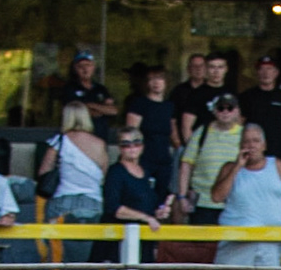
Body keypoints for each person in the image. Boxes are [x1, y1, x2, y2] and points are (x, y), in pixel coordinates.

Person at [210, 123, 281, 270]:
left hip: (270, 241)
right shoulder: (229, 168)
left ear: (264, 145)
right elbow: (216, 196)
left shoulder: (277, 165)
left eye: (255, 141)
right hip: (236, 242)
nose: (251, 145)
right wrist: (238, 166)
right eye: (246, 141)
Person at [36, 102, 109, 270]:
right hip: (93, 203)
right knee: (91, 252)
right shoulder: (100, 144)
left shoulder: (59, 141)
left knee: (56, 247)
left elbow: (44, 172)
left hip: (63, 202)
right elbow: (103, 174)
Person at [178, 93, 244, 225]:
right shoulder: (201, 132)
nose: (225, 112)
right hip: (202, 203)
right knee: (200, 245)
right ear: (214, 111)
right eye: (221, 108)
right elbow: (186, 165)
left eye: (230, 108)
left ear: (237, 111)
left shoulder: (245, 135)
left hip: (234, 205)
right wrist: (182, 196)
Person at [122, 65, 179, 203]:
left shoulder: (169, 106)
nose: (156, 82)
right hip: (144, 159)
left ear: (166, 82)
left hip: (164, 160)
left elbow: (173, 135)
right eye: (152, 79)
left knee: (161, 199)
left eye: (159, 78)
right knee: (141, 197)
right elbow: (130, 134)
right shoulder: (139, 104)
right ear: (147, 83)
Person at [103, 126, 172, 233]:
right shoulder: (115, 172)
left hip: (145, 233)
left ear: (143, 146)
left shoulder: (146, 171)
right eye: (126, 144)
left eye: (137, 143)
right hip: (121, 236)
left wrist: (158, 212)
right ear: (119, 148)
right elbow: (113, 208)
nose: (132, 148)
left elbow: (148, 203)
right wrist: (146, 218)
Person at [238, 54, 281, 158]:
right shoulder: (247, 96)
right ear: (257, 72)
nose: (266, 73)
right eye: (262, 69)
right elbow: (240, 123)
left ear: (276, 73)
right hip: (252, 151)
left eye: (269, 69)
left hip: (276, 150)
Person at [57, 51, 118, 140]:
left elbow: (113, 111)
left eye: (88, 65)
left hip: (101, 136)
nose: (85, 69)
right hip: (78, 138)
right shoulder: (69, 88)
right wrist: (101, 110)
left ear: (93, 67)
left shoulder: (101, 89)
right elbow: (73, 112)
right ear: (75, 68)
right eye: (81, 66)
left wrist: (90, 105)